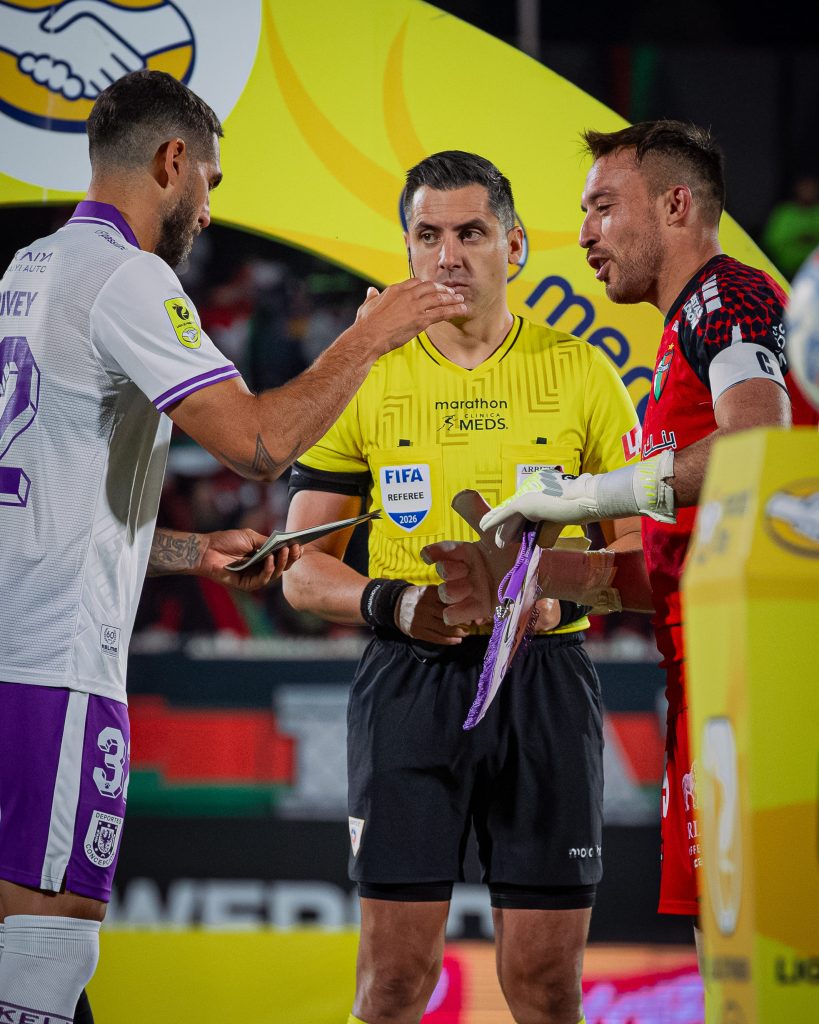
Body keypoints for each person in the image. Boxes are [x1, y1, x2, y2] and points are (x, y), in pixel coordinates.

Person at [0, 70, 466, 1023]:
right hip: (55, 672)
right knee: (45, 959)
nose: (209, 209)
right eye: (209, 181)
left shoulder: (27, 271)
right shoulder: (129, 276)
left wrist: (185, 553)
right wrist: (368, 338)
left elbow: (42, 496)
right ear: (172, 162)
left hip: (12, 650)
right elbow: (259, 445)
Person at [282, 150, 643, 1024]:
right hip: (409, 681)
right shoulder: (365, 373)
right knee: (392, 986)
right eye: (427, 235)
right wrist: (396, 603)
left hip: (544, 681)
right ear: (407, 248)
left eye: (471, 233)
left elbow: (638, 559)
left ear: (513, 246)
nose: (447, 255)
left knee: (546, 989)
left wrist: (551, 601)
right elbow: (301, 569)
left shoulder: (583, 373)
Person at [473, 121, 818, 948]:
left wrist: (580, 493)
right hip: (706, 681)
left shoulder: (727, 296)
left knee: (765, 953)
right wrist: (534, 574)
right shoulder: (678, 336)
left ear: (674, 205)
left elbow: (755, 440)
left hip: (761, 679)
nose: (584, 234)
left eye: (602, 207)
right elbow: (666, 569)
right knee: (725, 956)